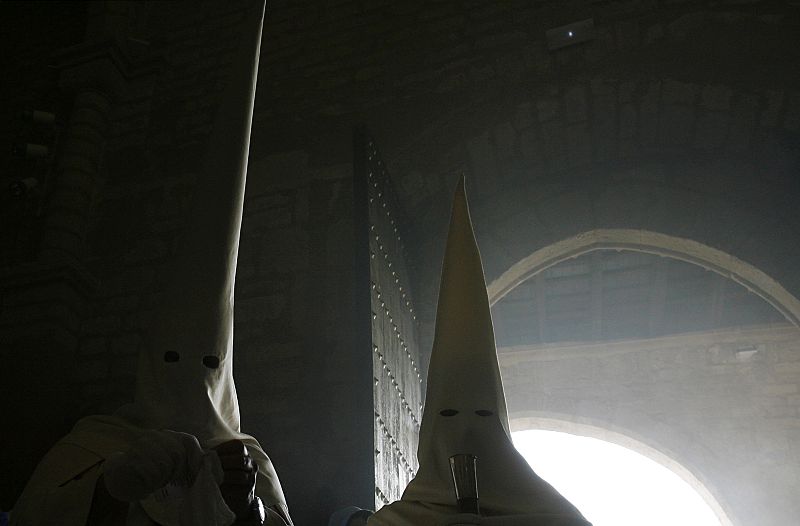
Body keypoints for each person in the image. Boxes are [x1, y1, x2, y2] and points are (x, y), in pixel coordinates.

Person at [11, 2, 293, 524]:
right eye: (171, 359)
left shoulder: (248, 462)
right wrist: (108, 488)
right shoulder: (93, 443)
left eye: (209, 364)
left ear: (225, 372)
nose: (190, 377)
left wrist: (244, 504)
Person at [368, 178, 592, 526]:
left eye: (484, 416)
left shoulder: (558, 520)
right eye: (449, 415)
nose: (467, 432)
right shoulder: (391, 524)